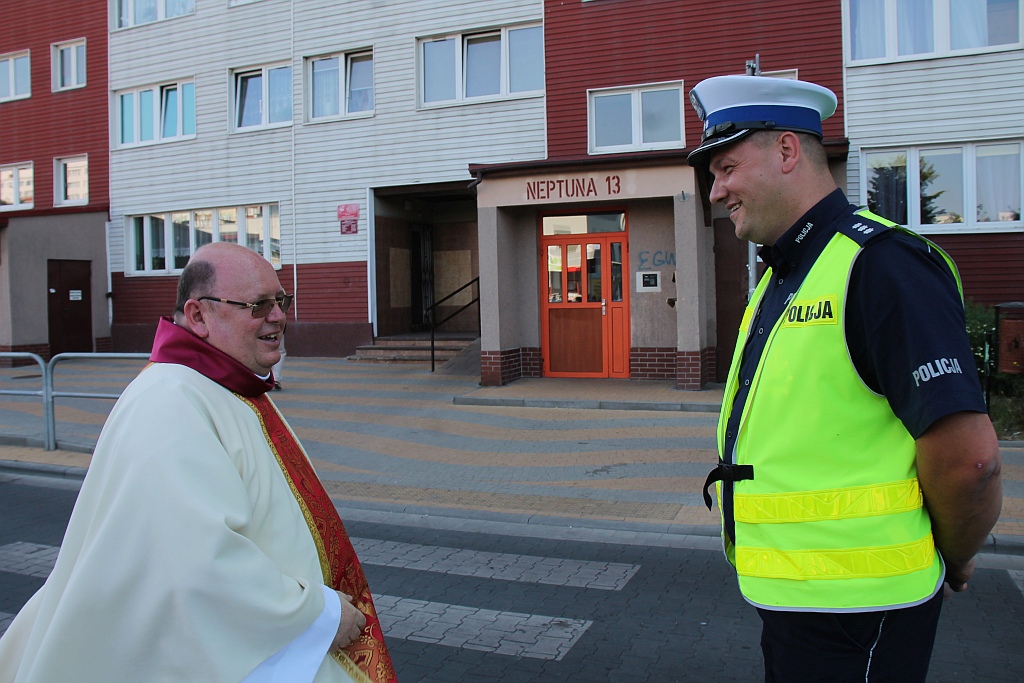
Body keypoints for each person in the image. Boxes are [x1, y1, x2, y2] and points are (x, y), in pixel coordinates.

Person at [689, 75, 1002, 682]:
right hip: (803, 602)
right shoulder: (786, 274)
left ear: (786, 152)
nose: (715, 191)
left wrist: (957, 558)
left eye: (726, 168)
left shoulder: (881, 265)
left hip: (860, 612)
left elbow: (972, 462)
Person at [0, 242, 396, 683]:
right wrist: (317, 616)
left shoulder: (225, 385)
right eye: (257, 304)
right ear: (198, 316)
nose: (278, 316)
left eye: (280, 300)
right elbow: (196, 562)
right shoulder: (169, 401)